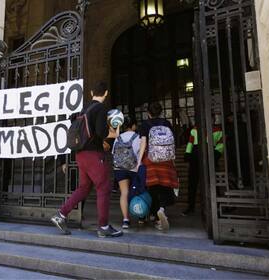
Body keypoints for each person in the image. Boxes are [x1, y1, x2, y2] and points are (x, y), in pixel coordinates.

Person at [50, 81, 123, 238]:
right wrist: (115, 132)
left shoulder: (84, 109)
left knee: (84, 188)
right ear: (106, 93)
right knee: (103, 187)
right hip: (93, 155)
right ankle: (103, 226)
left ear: (91, 93)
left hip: (80, 155)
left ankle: (61, 215)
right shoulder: (101, 109)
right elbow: (101, 132)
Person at [137, 102, 178, 232]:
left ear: (148, 113)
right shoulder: (166, 123)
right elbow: (172, 143)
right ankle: (162, 209)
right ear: (160, 112)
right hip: (166, 160)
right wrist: (173, 158)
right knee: (165, 186)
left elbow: (143, 143)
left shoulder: (145, 124)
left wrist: (139, 161)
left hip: (151, 159)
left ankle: (156, 216)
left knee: (153, 188)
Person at [112, 116, 140, 229]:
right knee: (138, 192)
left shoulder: (118, 137)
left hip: (120, 168)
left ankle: (125, 220)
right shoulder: (137, 137)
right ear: (133, 126)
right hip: (133, 168)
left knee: (124, 193)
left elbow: (113, 152)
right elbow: (140, 153)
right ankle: (141, 216)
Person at [183, 126, 199, 216]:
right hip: (195, 157)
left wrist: (217, 154)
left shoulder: (217, 130)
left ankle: (215, 206)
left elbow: (220, 144)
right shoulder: (194, 130)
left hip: (211, 157)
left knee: (211, 183)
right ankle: (191, 207)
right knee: (192, 184)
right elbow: (190, 142)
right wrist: (187, 153)